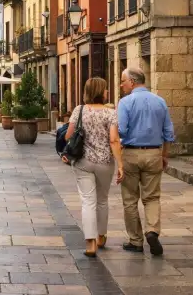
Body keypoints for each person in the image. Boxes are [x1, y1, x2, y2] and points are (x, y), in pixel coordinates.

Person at [64, 77, 124, 258]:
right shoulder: (110, 113)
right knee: (102, 200)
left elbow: (68, 135)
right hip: (105, 162)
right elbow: (114, 140)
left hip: (83, 162)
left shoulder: (79, 110)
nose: (107, 92)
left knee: (88, 201)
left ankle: (90, 244)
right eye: (105, 89)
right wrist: (120, 164)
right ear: (100, 91)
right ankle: (101, 236)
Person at [118, 67, 175, 256]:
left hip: (131, 154)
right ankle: (152, 231)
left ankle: (135, 241)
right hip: (153, 153)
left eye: (123, 81)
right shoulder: (160, 101)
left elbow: (122, 131)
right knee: (151, 197)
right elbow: (168, 133)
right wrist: (164, 155)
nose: (121, 85)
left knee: (130, 199)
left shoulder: (125, 102)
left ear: (132, 82)